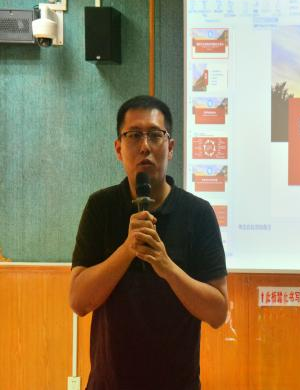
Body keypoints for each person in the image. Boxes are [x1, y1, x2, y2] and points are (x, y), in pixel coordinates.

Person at [69, 95, 228, 390]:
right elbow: (79, 301)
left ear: (171, 147)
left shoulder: (198, 213)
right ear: (119, 148)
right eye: (134, 135)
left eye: (155, 135)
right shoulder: (101, 207)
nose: (145, 146)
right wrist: (127, 250)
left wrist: (167, 267)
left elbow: (218, 313)